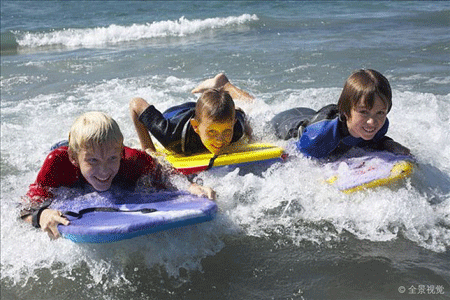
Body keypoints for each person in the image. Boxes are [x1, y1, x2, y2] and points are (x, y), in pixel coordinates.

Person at [20, 111, 215, 239]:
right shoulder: (58, 163)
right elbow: (24, 208)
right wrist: (41, 215)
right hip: (68, 150)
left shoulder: (131, 159)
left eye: (112, 159)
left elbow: (165, 174)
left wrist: (190, 186)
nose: (104, 172)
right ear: (74, 158)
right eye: (93, 161)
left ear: (120, 152)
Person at [271, 69, 410, 159]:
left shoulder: (381, 124)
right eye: (363, 112)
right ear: (346, 110)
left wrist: (388, 144)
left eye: (380, 112)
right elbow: (296, 157)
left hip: (310, 114)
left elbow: (376, 141)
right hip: (284, 123)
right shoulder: (319, 137)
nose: (372, 122)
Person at [129, 73, 253, 156]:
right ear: (195, 126)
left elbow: (241, 114)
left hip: (206, 113)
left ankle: (223, 84)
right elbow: (136, 104)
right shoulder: (170, 135)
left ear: (233, 123)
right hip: (175, 114)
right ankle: (222, 86)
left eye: (226, 132)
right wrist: (148, 149)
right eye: (212, 132)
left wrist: (250, 133)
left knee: (252, 104)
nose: (220, 140)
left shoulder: (236, 129)